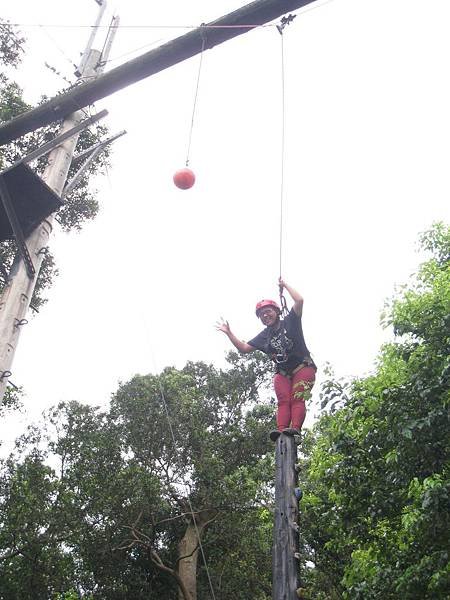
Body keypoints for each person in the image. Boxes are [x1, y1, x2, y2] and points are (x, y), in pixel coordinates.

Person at [216, 278, 316, 441]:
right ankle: (282, 432)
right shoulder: (265, 336)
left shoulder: (290, 321)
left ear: (276, 311)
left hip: (303, 367)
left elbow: (299, 300)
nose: (265, 315)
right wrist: (229, 333)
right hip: (283, 372)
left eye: (268, 311)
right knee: (283, 401)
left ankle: (295, 430)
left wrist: (285, 285)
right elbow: (244, 348)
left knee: (297, 398)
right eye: (262, 314)